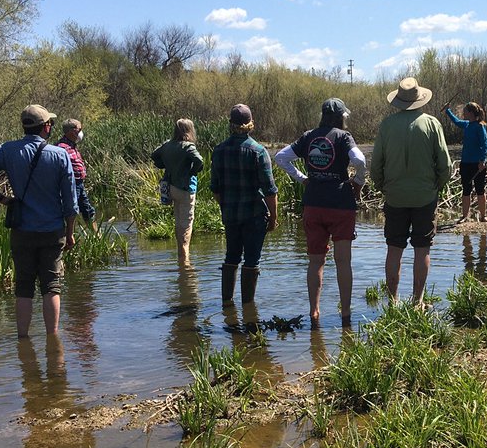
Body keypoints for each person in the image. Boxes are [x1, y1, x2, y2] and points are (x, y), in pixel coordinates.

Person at [0, 104, 78, 338]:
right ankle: (53, 341)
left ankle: (22, 340)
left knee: (24, 288)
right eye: (50, 124)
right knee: (51, 286)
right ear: (46, 127)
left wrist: (1, 198)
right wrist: (70, 232)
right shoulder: (59, 155)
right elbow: (70, 201)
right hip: (52, 229)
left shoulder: (8, 150)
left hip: (22, 229)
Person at [275, 97, 366, 327]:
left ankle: (314, 313)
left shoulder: (308, 136)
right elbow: (359, 159)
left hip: (313, 204)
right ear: (341, 117)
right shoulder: (343, 137)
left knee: (315, 262)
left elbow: (280, 158)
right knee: (343, 262)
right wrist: (358, 181)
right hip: (340, 204)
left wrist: (303, 179)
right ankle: (346, 315)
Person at [370, 77, 451, 305]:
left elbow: (376, 165)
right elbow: (445, 165)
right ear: (419, 98)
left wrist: (382, 186)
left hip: (395, 196)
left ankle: (393, 301)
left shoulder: (387, 125)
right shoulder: (432, 124)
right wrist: (437, 186)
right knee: (422, 248)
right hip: (425, 196)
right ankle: (417, 301)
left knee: (394, 248)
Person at [210, 104, 279, 306]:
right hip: (254, 216)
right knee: (251, 260)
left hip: (230, 215)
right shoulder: (258, 151)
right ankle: (248, 308)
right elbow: (270, 190)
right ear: (251, 124)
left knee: (231, 257)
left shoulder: (219, 150)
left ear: (230, 124)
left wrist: (226, 206)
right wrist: (273, 218)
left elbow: (215, 188)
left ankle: (227, 305)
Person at [151, 119, 204, 267]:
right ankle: (185, 263)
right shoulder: (188, 146)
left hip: (171, 188)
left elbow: (154, 155)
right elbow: (199, 161)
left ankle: (181, 254)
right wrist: (192, 172)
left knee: (178, 222)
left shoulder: (167, 145)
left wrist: (163, 165)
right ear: (189, 131)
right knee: (186, 225)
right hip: (186, 189)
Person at [442, 101, 487, 223]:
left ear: (471, 113)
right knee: (466, 190)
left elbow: (485, 145)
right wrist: (448, 111)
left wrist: (482, 160)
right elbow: (456, 121)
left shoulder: (480, 126)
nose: (463, 113)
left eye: (465, 111)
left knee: (480, 190)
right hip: (466, 163)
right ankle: (464, 216)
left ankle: (483, 216)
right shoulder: (467, 125)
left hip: (478, 164)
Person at [57, 118, 96, 230]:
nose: (81, 132)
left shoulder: (72, 146)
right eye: (79, 129)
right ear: (72, 131)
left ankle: (96, 237)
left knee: (87, 210)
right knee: (71, 210)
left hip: (79, 184)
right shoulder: (62, 147)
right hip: (70, 184)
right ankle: (69, 235)